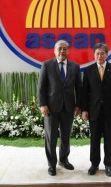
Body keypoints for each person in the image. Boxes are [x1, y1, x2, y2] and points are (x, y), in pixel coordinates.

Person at [38, 40, 82, 176]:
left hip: (68, 108)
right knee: (51, 138)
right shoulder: (47, 65)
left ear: (68, 51)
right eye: (59, 49)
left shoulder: (75, 67)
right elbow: (41, 87)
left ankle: (63, 160)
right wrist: (42, 105)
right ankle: (51, 165)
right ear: (54, 51)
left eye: (64, 49)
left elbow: (79, 89)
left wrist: (78, 105)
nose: (62, 51)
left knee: (66, 137)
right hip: (51, 108)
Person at [81, 43, 111, 177]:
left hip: (109, 111)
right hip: (93, 111)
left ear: (107, 54)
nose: (100, 56)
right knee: (94, 139)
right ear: (94, 55)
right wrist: (84, 110)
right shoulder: (88, 70)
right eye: (97, 54)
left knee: (108, 140)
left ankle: (108, 164)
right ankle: (94, 164)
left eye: (102, 53)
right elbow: (84, 92)